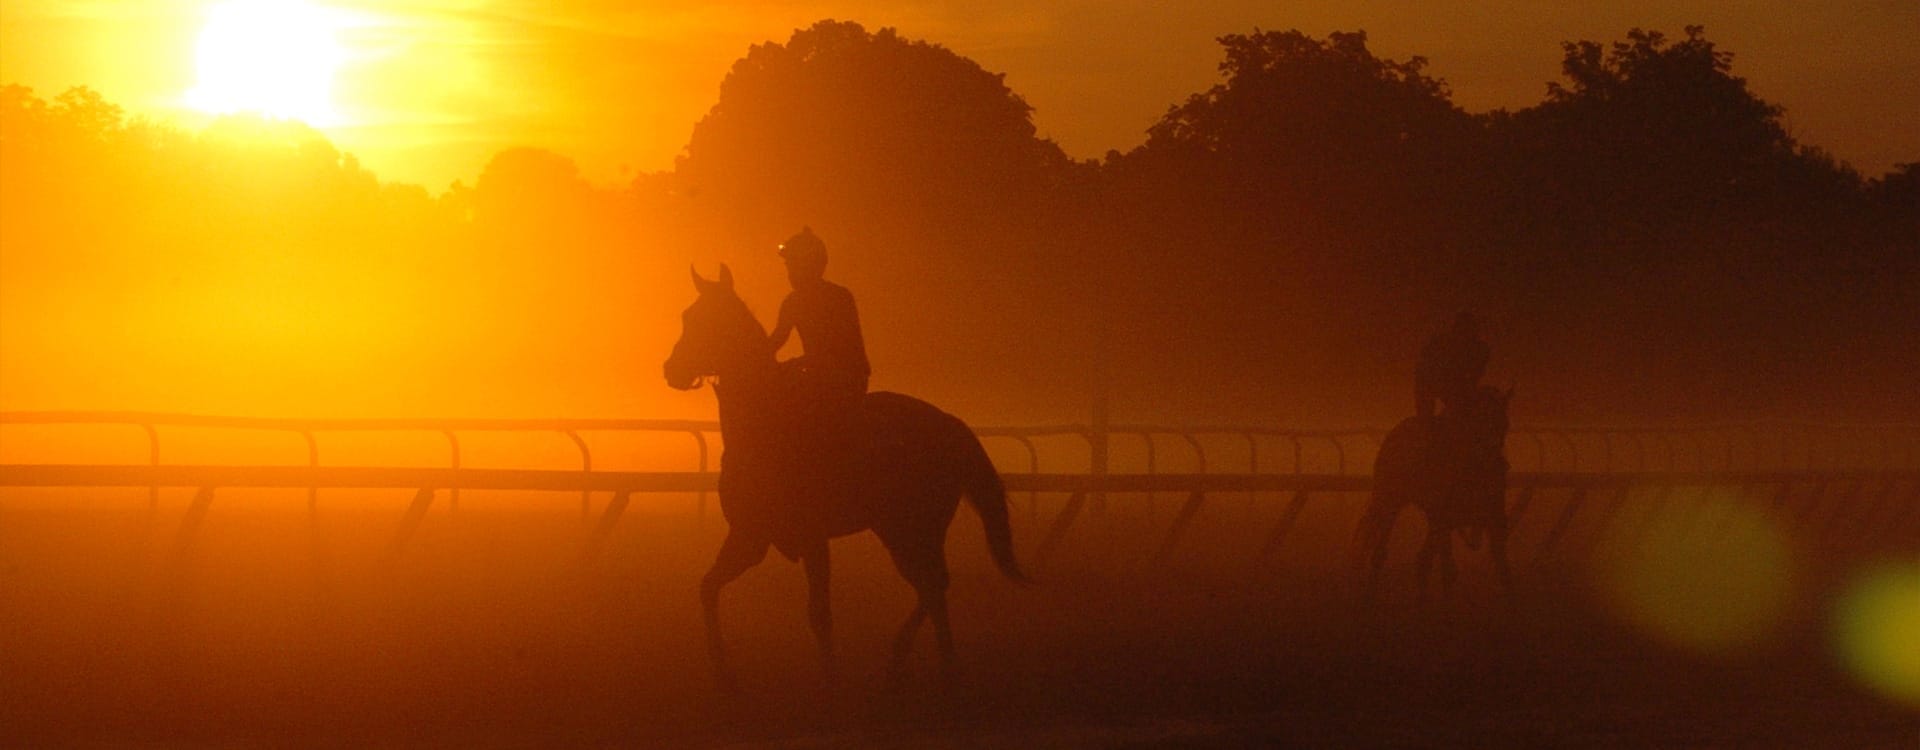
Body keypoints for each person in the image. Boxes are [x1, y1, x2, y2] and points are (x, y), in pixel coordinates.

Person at [769, 226, 870, 409]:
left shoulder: (838, 298)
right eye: (788, 266)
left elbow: (837, 350)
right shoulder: (793, 302)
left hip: (846, 380)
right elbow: (777, 339)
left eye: (793, 265)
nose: (790, 272)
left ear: (810, 265)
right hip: (816, 375)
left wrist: (793, 365)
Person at [1415, 312, 1490, 418]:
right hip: (1431, 383)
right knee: (1425, 420)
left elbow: (1474, 376)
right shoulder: (1440, 344)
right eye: (1463, 330)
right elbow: (1426, 371)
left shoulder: (1480, 350)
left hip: (1457, 385)